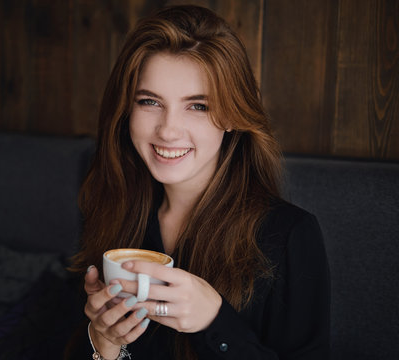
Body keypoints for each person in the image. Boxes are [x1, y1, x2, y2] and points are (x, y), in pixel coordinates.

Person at [68, 5, 330, 360]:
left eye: (198, 106)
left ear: (233, 116)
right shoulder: (110, 210)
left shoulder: (288, 236)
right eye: (149, 102)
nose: (168, 130)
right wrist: (102, 344)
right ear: (125, 111)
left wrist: (215, 321)